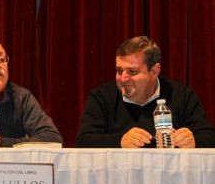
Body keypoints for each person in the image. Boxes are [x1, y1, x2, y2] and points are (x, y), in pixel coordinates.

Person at [76, 36, 215, 148]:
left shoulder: (181, 95)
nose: (123, 78)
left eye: (132, 71)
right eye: (119, 71)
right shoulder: (102, 97)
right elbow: (84, 140)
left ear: (154, 71)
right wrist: (120, 141)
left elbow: (209, 136)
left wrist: (192, 141)